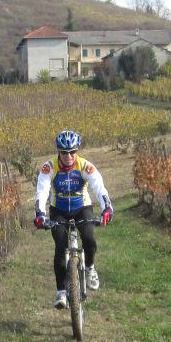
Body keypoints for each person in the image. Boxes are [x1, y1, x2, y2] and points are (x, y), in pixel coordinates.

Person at [33, 129, 112, 309]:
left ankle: (90, 268)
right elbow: (42, 192)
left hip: (82, 208)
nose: (68, 156)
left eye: (72, 152)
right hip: (58, 210)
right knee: (60, 246)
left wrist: (107, 209)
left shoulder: (85, 166)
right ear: (58, 152)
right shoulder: (49, 167)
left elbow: (99, 188)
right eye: (64, 152)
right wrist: (40, 214)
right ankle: (61, 291)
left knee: (89, 237)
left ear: (77, 151)